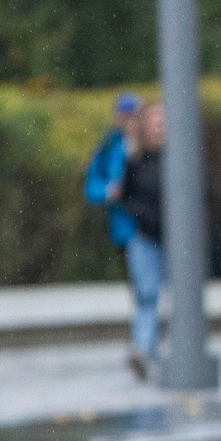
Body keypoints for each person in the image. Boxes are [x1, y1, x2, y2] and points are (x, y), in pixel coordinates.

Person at [114, 99, 167, 378]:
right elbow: (124, 195)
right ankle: (144, 349)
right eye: (154, 120)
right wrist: (143, 215)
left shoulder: (179, 159)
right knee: (147, 295)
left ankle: (158, 350)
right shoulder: (135, 159)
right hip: (144, 236)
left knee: (170, 297)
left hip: (174, 240)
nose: (159, 126)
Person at [83, 91, 142, 253]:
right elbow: (90, 185)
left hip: (150, 229)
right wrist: (108, 191)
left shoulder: (152, 146)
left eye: (132, 116)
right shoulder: (108, 145)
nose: (128, 121)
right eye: (123, 116)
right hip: (122, 230)